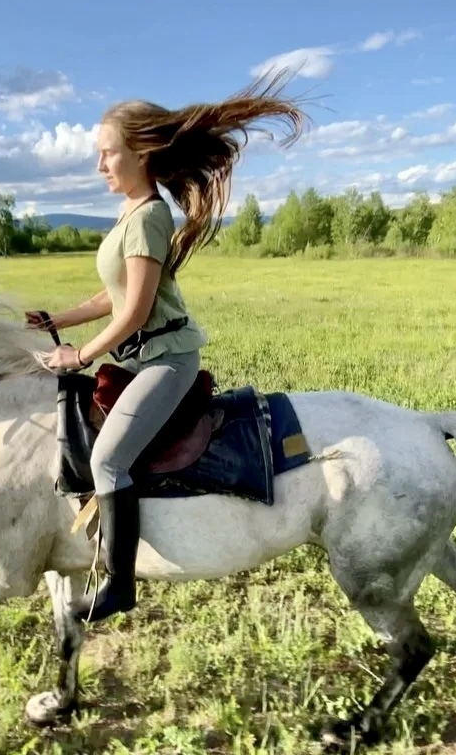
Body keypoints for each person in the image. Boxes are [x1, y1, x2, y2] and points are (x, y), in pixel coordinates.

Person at [26, 71, 305, 624]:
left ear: (143, 154)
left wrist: (78, 356)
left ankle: (119, 583)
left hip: (166, 360)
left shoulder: (150, 216)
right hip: (140, 357)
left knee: (107, 459)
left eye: (107, 154)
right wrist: (58, 319)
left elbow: (133, 312)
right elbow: (114, 296)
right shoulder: (130, 213)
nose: (99, 165)